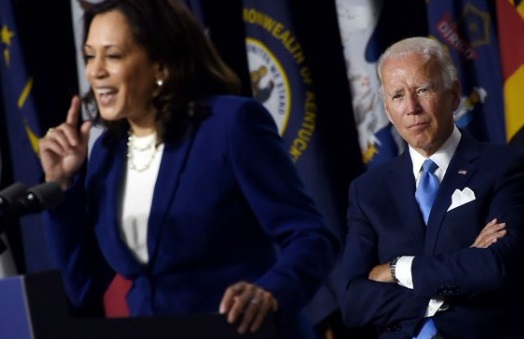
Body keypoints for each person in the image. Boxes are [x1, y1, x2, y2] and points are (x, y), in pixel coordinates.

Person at [38, 1, 338, 338]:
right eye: (91, 56)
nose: (96, 72)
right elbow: (84, 288)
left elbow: (312, 237)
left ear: (161, 65)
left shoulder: (229, 125)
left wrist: (270, 291)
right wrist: (62, 185)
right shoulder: (106, 153)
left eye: (114, 55)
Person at [338, 37, 524, 338]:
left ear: (454, 94)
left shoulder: (504, 166)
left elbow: (497, 267)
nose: (411, 107)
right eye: (398, 95)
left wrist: (397, 270)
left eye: (423, 89)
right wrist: (454, 279)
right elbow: (352, 302)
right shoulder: (368, 191)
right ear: (387, 110)